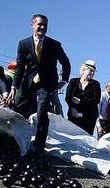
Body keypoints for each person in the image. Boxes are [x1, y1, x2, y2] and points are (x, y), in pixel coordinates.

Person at [5, 14, 71, 158]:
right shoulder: (24, 44)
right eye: (40, 24)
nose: (42, 27)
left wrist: (64, 81)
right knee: (17, 107)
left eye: (45, 25)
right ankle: (16, 143)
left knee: (42, 113)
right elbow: (20, 67)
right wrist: (14, 88)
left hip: (47, 84)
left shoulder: (54, 45)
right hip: (29, 81)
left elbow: (65, 63)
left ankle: (38, 148)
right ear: (32, 25)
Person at [64, 60, 101, 134]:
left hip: (88, 117)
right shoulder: (73, 82)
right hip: (73, 114)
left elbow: (95, 100)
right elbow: (68, 97)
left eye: (93, 71)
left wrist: (80, 101)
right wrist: (72, 108)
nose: (92, 73)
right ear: (83, 70)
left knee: (86, 139)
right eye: (90, 70)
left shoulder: (95, 84)